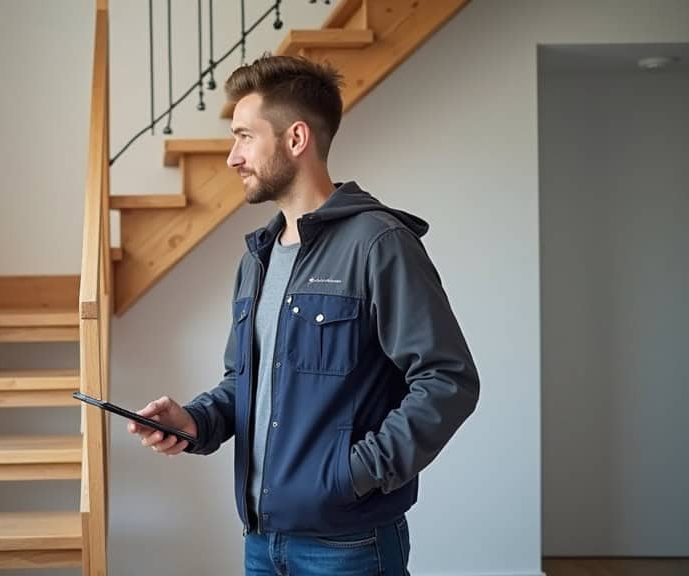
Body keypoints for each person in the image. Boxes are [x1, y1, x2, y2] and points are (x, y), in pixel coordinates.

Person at [127, 54, 479, 576]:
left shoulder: (379, 243)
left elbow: (448, 380)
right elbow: (245, 382)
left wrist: (352, 475)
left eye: (245, 137)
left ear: (295, 140)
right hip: (261, 542)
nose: (232, 157)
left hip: (349, 546)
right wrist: (195, 421)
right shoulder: (258, 257)